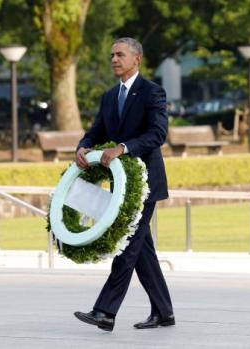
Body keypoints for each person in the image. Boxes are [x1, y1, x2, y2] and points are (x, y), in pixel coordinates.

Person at [73, 37, 174, 332]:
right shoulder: (108, 97)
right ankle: (164, 312)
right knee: (141, 249)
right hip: (121, 186)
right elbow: (95, 132)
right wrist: (82, 147)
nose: (114, 59)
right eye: (112, 55)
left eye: (120, 54)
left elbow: (157, 134)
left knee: (127, 245)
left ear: (137, 59)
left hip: (146, 185)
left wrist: (122, 148)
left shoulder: (153, 93)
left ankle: (105, 311)